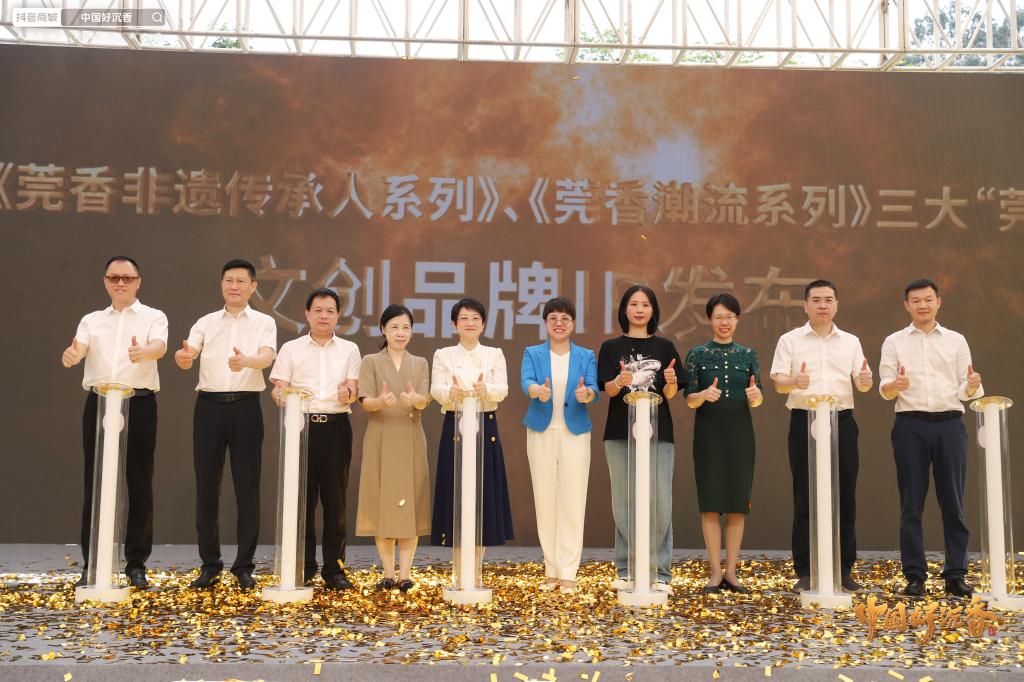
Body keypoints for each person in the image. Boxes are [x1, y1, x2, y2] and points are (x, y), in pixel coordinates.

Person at [61, 256, 167, 589]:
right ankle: (92, 563)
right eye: (114, 277)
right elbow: (79, 347)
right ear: (105, 281)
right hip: (100, 403)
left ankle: (136, 564)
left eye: (127, 278)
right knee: (95, 482)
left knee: (139, 483)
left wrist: (144, 352)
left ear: (138, 281)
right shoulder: (91, 320)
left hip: (139, 402)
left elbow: (159, 346)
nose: (120, 283)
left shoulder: (154, 316)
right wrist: (73, 355)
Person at [174, 259, 276, 590]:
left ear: (253, 286)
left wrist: (247, 361)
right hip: (209, 408)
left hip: (246, 408)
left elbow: (267, 357)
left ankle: (244, 566)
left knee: (248, 488)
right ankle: (210, 564)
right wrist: (183, 357)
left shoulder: (264, 322)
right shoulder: (205, 322)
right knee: (207, 487)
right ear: (221, 284)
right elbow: (188, 353)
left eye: (240, 281)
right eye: (228, 280)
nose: (234, 286)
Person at [879, 279, 983, 598]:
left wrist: (972, 385)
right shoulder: (894, 341)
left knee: (954, 503)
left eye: (928, 299)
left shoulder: (956, 340)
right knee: (911, 504)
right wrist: (895, 385)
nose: (922, 305)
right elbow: (884, 388)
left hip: (950, 425)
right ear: (906, 305)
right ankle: (915, 576)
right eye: (915, 300)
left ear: (938, 302)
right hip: (910, 425)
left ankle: (955, 575)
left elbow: (967, 388)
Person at [769, 280, 872, 593]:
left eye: (828, 299)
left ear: (836, 304)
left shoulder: (851, 342)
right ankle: (805, 569)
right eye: (816, 300)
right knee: (805, 494)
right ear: (805, 305)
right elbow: (778, 383)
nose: (822, 305)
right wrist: (795, 381)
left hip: (842, 421)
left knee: (845, 495)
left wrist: (865, 379)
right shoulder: (790, 340)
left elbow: (864, 384)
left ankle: (844, 568)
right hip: (805, 420)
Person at [270, 288, 360, 591]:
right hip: (301, 426)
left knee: (336, 502)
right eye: (318, 310)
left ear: (338, 315)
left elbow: (354, 389)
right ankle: (304, 566)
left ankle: (334, 570)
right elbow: (278, 387)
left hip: (336, 427)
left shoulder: (349, 349)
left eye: (330, 311)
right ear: (307, 313)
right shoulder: (291, 349)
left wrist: (348, 393)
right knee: (302, 501)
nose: (324, 316)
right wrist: (279, 394)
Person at [597, 285, 683, 593]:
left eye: (645, 304)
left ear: (653, 310)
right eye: (633, 304)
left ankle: (660, 572)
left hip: (659, 434)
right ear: (624, 309)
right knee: (624, 502)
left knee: (660, 502)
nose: (639, 309)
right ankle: (626, 569)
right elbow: (607, 390)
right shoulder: (611, 347)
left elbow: (671, 393)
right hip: (619, 433)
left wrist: (671, 381)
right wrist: (619, 380)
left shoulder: (665, 346)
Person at [684, 293, 762, 594]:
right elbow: (689, 399)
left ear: (737, 320)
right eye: (718, 317)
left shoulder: (748, 354)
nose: (724, 322)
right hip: (709, 436)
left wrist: (756, 396)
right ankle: (715, 573)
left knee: (737, 505)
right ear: (709, 320)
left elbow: (757, 396)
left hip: (740, 435)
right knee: (711, 504)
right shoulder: (697, 354)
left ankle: (732, 572)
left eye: (729, 316)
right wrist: (704, 395)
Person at [521, 297, 599, 594]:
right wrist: (536, 391)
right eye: (553, 318)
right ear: (545, 323)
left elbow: (592, 388)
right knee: (545, 500)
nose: (559, 323)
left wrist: (586, 394)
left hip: (574, 433)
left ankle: (568, 571)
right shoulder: (532, 352)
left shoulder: (585, 355)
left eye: (565, 318)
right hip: (541, 431)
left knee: (573, 501)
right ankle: (551, 568)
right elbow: (526, 381)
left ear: (573, 324)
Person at [355, 304, 431, 592]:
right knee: (382, 502)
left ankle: (406, 574)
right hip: (381, 433)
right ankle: (388, 573)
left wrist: (416, 400)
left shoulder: (420, 363)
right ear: (383, 329)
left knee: (411, 503)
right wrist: (379, 402)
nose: (400, 332)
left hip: (411, 435)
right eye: (395, 327)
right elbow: (365, 401)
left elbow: (424, 400)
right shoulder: (371, 361)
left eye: (406, 327)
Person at [430, 298, 515, 553]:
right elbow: (436, 389)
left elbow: (503, 390)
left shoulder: (494, 354)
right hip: (453, 425)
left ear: (483, 324)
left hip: (485, 426)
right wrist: (450, 392)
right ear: (454, 324)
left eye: (475, 318)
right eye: (464, 318)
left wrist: (485, 389)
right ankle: (458, 566)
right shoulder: (443, 354)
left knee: (484, 496)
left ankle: (476, 565)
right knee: (455, 493)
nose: (470, 323)